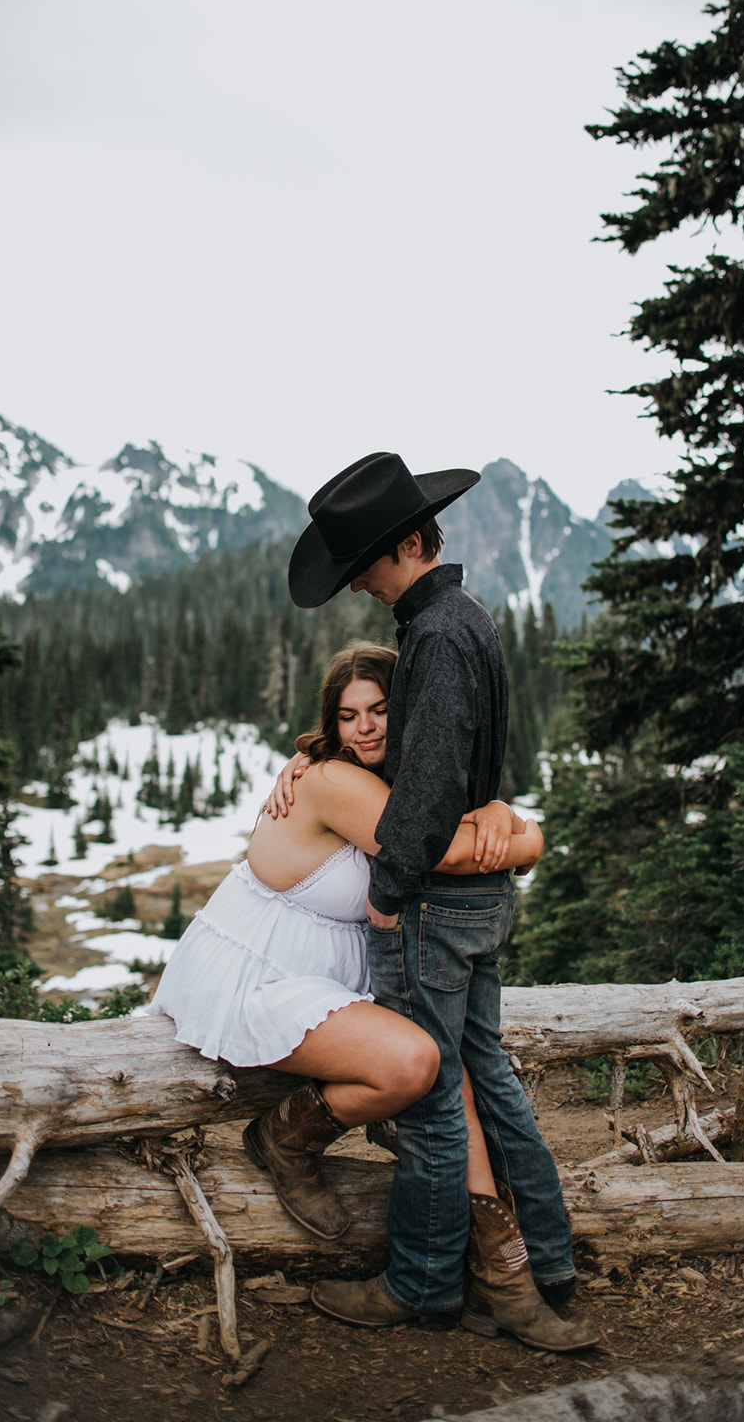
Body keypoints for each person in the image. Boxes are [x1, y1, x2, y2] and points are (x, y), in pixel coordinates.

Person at [279, 452, 597, 1353]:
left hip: (435, 910)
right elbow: (461, 770)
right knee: (486, 1076)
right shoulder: (463, 623)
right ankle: (548, 1257)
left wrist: (388, 890)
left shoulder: (438, 635)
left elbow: (420, 793)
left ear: (410, 544)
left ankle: (423, 1284)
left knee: (428, 1101)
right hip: (481, 898)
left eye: (370, 566)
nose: (363, 588)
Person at [148, 641, 541, 1245]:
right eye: (348, 716)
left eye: (380, 710)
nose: (365, 728)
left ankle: (497, 1249)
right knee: (414, 1063)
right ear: (331, 724)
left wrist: (496, 807)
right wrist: (528, 842)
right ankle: (283, 1138)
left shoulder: (394, 782)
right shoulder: (330, 781)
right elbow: (446, 851)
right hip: (261, 977)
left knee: (447, 1064)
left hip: (331, 978)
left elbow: (446, 824)